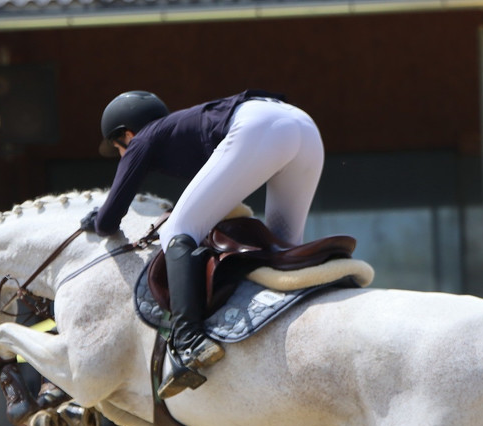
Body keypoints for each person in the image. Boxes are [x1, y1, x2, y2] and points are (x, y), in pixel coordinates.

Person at [82, 90, 324, 399]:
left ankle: (189, 340)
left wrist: (96, 218)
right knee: (284, 247)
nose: (121, 155)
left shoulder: (142, 140)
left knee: (177, 229)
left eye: (118, 148)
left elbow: (108, 221)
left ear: (126, 134)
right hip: (303, 125)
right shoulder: (182, 133)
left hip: (258, 123)